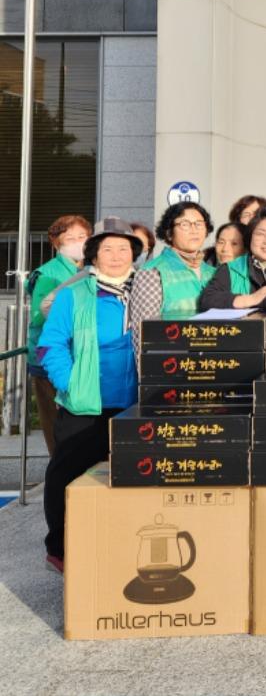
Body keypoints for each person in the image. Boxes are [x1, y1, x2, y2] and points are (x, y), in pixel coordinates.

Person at [38, 218, 142, 573]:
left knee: (127, 478)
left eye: (124, 248)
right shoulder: (75, 293)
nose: (116, 256)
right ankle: (60, 547)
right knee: (66, 474)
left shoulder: (146, 291)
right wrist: (70, 382)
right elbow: (51, 344)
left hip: (134, 402)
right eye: (107, 249)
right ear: (94, 254)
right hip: (86, 402)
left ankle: (116, 545)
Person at [27, 215, 92, 457]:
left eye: (82, 237)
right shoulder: (47, 274)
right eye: (70, 238)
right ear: (56, 243)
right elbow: (39, 317)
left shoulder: (90, 267)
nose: (78, 242)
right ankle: (59, 470)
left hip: (82, 356)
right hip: (50, 360)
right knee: (56, 426)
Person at [129, 202, 216, 350]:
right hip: (172, 359)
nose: (194, 230)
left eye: (199, 224)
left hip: (211, 358)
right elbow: (143, 333)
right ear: (169, 233)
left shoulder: (213, 273)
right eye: (185, 224)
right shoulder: (152, 272)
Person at [198, 207, 266, 311]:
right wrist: (251, 299)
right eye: (260, 234)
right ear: (250, 238)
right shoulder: (231, 269)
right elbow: (207, 300)